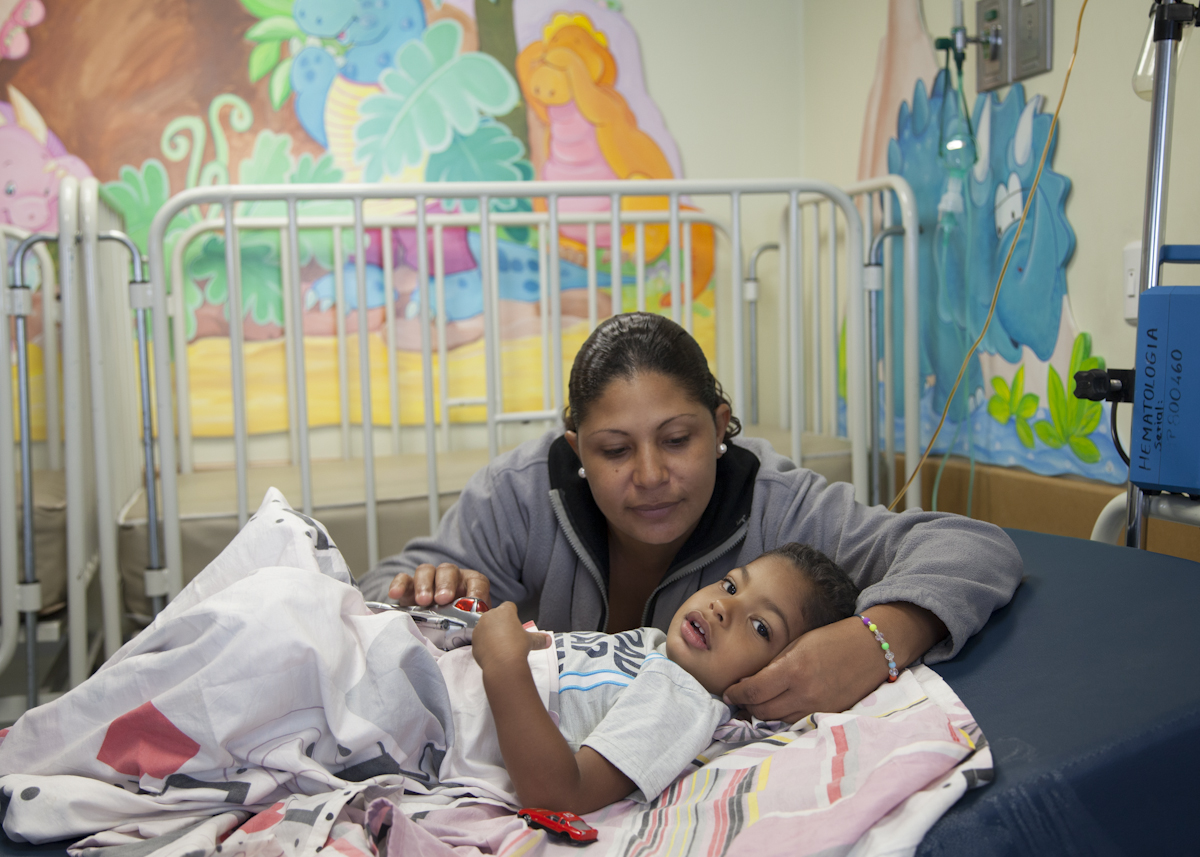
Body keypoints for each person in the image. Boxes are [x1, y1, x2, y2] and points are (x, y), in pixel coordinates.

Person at [359, 312, 1023, 722]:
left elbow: (972, 547)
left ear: (721, 425)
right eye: (615, 450)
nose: (650, 475)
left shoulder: (782, 505)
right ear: (577, 451)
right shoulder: (521, 494)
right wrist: (427, 588)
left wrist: (878, 639)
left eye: (678, 439)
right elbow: (373, 592)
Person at [474, 541, 859, 813]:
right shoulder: (655, 647)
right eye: (730, 585)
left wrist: (504, 665)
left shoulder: (683, 700)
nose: (722, 606)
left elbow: (561, 795)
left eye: (760, 627)